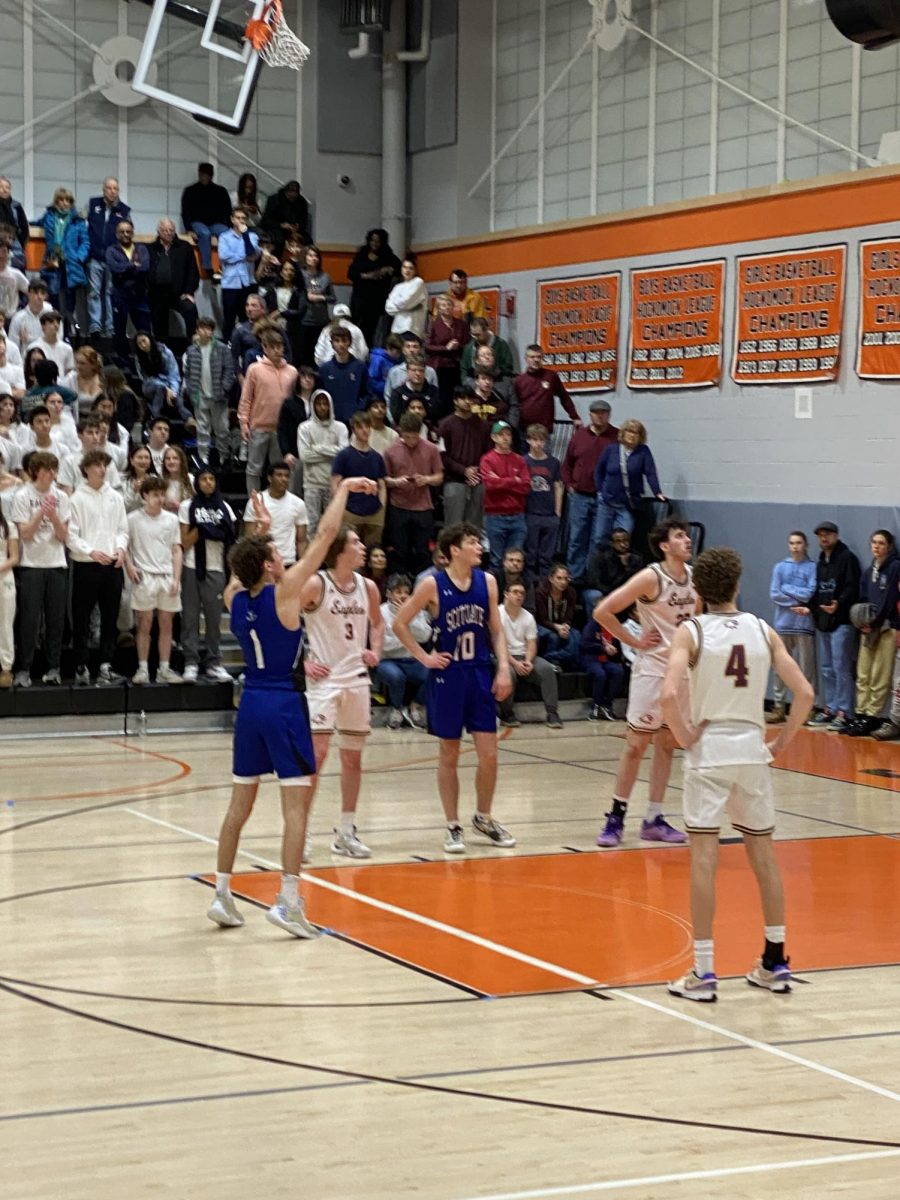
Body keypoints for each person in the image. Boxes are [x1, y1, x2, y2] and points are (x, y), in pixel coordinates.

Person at [207, 475, 376, 935]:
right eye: (275, 554)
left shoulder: (235, 597)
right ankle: (287, 901)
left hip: (250, 707)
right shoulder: (284, 594)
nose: (283, 557)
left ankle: (222, 894)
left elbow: (239, 566)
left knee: (238, 806)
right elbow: (323, 538)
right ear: (266, 567)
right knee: (295, 808)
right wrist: (342, 491)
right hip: (283, 702)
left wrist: (258, 531)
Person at [663, 546, 813, 1002]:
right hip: (751, 750)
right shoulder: (762, 629)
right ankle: (775, 961)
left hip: (710, 752)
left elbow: (669, 695)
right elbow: (804, 693)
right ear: (737, 585)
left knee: (705, 859)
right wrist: (781, 742)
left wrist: (686, 735)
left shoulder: (689, 631)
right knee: (764, 858)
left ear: (698, 592)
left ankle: (703, 971)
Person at [392, 521, 515, 854]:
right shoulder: (432, 585)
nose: (480, 547)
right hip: (448, 676)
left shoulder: (487, 582)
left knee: (489, 755)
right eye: (473, 542)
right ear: (454, 551)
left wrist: (503, 668)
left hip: (479, 672)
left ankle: (484, 817)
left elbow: (497, 631)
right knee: (449, 753)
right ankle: (452, 825)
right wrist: (424, 657)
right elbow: (399, 622)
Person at [594, 518, 698, 847]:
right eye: (680, 536)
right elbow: (603, 611)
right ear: (665, 546)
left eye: (687, 536)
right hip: (653, 671)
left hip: (682, 673)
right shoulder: (652, 577)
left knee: (667, 744)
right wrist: (634, 640)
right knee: (636, 745)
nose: (687, 541)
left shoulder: (695, 578)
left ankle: (654, 818)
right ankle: (616, 816)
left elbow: (697, 620)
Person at [298, 528, 384, 858]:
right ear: (339, 550)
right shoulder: (316, 584)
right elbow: (284, 619)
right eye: (356, 542)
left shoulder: (369, 587)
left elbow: (378, 623)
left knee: (352, 758)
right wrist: (302, 663)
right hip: (323, 681)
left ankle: (346, 832)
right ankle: (300, 831)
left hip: (356, 680)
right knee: (316, 758)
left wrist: (374, 650)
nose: (363, 547)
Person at [67, 448, 128, 687]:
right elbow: (71, 536)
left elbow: (123, 529)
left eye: (105, 465)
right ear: (87, 469)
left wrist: (121, 549)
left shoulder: (115, 497)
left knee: (110, 617)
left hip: (112, 565)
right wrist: (90, 551)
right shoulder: (76, 499)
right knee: (82, 617)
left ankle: (105, 665)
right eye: (98, 465)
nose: (102, 469)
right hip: (87, 565)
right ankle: (81, 666)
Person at [12, 450, 70, 687]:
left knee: (56, 620)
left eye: (54, 470)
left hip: (56, 564)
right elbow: (24, 533)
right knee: (29, 620)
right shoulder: (23, 495)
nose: (52, 474)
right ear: (36, 471)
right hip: (31, 565)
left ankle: (54, 668)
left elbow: (64, 535)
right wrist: (41, 512)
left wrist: (54, 515)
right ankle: (24, 669)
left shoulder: (62, 497)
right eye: (47, 470)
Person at [179, 466, 236, 684]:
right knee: (190, 618)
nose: (208, 482)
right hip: (192, 566)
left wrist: (205, 528)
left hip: (217, 568)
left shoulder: (225, 508)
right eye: (204, 479)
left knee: (214, 620)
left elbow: (228, 537)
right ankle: (191, 663)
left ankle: (214, 663)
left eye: (212, 478)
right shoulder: (187, 506)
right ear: (197, 483)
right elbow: (184, 541)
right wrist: (205, 529)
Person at [125, 476, 183, 685]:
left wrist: (176, 578)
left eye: (162, 494)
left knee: (167, 625)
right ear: (145, 496)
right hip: (144, 577)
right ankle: (142, 668)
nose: (159, 498)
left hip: (166, 576)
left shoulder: (171, 520)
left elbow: (176, 550)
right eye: (155, 495)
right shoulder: (132, 519)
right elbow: (125, 547)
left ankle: (164, 669)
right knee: (144, 624)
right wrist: (130, 566)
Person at [844, 529, 900, 738]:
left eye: (882, 543)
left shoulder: (895, 568)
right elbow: (863, 597)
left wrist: (875, 622)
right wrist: (861, 621)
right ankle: (861, 713)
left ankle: (873, 716)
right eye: (874, 542)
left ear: (889, 547)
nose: (877, 546)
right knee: (864, 672)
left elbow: (890, 600)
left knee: (879, 674)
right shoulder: (869, 571)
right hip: (867, 629)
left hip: (885, 628)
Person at [808, 521, 860, 733]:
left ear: (836, 536)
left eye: (827, 535)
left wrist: (840, 604)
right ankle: (830, 707)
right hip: (824, 622)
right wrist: (808, 607)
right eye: (820, 535)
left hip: (841, 622)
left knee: (841, 668)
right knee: (827, 668)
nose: (823, 538)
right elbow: (819, 590)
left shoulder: (847, 558)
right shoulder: (821, 560)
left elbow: (852, 587)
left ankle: (844, 712)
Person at [562, 398, 618, 585]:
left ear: (608, 415)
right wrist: (569, 484)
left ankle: (592, 578)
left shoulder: (616, 437)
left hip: (604, 498)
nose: (599, 416)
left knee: (599, 539)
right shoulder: (579, 436)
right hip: (579, 495)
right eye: (596, 412)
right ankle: (574, 578)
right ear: (590, 414)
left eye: (603, 412)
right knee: (577, 537)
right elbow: (567, 464)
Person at [383, 411, 443, 578]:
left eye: (414, 437)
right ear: (400, 432)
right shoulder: (390, 450)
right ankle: (400, 586)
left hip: (423, 506)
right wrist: (396, 482)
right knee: (400, 551)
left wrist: (427, 479)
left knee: (423, 551)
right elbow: (385, 479)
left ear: (420, 432)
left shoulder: (431, 449)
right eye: (407, 437)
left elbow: (439, 477)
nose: (411, 441)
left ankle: (422, 584)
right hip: (398, 506)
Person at [766, 532, 817, 725]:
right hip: (783, 624)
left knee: (806, 669)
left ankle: (807, 708)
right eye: (792, 543)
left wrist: (787, 588)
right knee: (780, 667)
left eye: (799, 543)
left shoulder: (812, 567)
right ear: (788, 545)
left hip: (804, 623)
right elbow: (774, 594)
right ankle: (779, 706)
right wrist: (796, 597)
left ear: (806, 545)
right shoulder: (780, 567)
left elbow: (810, 593)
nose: (795, 546)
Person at [239, 329, 298, 494]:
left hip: (282, 430)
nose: (277, 350)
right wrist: (244, 422)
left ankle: (278, 499)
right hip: (259, 425)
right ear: (264, 348)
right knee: (254, 468)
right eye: (273, 347)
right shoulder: (254, 369)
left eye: (280, 347)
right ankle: (254, 501)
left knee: (280, 469)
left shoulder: (292, 372)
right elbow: (246, 398)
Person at [498, 581, 562, 730]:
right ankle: (507, 713)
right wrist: (514, 663)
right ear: (506, 594)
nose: (519, 596)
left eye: (522, 593)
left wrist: (528, 661)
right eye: (515, 592)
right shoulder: (497, 614)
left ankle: (552, 713)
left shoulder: (528, 616)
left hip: (524, 655)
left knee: (547, 669)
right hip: (503, 656)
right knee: (508, 674)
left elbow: (532, 643)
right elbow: (497, 644)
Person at [594, 419, 666, 543]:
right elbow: (599, 471)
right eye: (629, 431)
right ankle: (600, 561)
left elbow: (650, 472)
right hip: (607, 501)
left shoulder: (643, 451)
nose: (632, 435)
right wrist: (601, 491)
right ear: (623, 433)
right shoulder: (611, 449)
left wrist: (657, 492)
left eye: (636, 433)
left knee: (624, 537)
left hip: (627, 503)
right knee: (600, 538)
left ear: (640, 436)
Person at [375, 572, 429, 729]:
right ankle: (396, 710)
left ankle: (415, 707)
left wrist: (408, 620)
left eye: (406, 592)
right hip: (387, 660)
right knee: (396, 677)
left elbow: (425, 635)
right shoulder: (381, 612)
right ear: (389, 594)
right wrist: (409, 640)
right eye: (399, 592)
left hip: (412, 660)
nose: (403, 596)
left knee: (434, 673)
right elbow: (384, 644)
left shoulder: (415, 610)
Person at [182, 315, 235, 466]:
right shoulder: (192, 351)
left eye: (210, 329)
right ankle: (203, 457)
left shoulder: (222, 348)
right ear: (198, 330)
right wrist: (192, 391)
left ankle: (224, 456)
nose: (207, 332)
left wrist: (225, 388)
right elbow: (188, 373)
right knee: (202, 429)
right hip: (200, 395)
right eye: (204, 328)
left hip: (219, 395)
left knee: (222, 429)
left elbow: (229, 370)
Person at [330, 411, 386, 548]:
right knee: (350, 552)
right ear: (354, 429)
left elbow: (382, 485)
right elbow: (334, 484)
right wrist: (341, 508)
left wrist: (382, 506)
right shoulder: (343, 455)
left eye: (367, 426)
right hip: (350, 512)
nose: (365, 430)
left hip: (374, 512)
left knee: (373, 553)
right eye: (360, 427)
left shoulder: (377, 457)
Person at [480, 419, 530, 573]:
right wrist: (513, 481)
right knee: (496, 559)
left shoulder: (519, 460)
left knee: (515, 560)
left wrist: (501, 481)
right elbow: (490, 485)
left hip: (517, 515)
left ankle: (513, 593)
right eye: (501, 435)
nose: (505, 438)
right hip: (495, 515)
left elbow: (526, 486)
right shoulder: (487, 459)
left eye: (508, 434)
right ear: (493, 437)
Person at [439, 385, 492, 528]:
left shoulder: (484, 426)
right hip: (454, 481)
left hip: (478, 481)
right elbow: (443, 456)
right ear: (455, 401)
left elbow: (489, 454)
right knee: (453, 527)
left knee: (474, 528)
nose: (467, 402)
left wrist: (478, 470)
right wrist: (464, 471)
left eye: (470, 398)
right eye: (463, 398)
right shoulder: (445, 425)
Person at [297, 390, 348, 536]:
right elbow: (305, 456)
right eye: (318, 404)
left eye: (325, 403)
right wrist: (332, 453)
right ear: (313, 405)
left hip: (333, 484)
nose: (322, 407)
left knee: (332, 526)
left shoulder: (340, 427)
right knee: (311, 525)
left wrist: (318, 448)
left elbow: (343, 454)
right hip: (311, 484)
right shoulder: (304, 427)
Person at [37, 188, 89, 332]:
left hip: (71, 263)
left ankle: (67, 331)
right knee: (53, 295)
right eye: (61, 200)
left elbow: (85, 242)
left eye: (68, 200)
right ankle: (54, 328)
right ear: (56, 201)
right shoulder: (49, 216)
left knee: (69, 300)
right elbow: (36, 223)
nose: (65, 203)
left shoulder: (78, 221)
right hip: (52, 261)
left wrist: (79, 257)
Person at [86, 178, 131, 343]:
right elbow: (85, 227)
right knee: (93, 292)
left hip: (114, 258)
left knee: (111, 293)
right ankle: (95, 326)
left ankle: (111, 327)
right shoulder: (93, 205)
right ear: (103, 189)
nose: (112, 191)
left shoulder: (124, 211)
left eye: (115, 188)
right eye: (109, 188)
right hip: (95, 256)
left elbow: (128, 235)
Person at [242, 461, 309, 567]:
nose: (284, 479)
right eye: (279, 475)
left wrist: (304, 566)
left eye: (287, 476)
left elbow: (302, 540)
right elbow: (249, 538)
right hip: (263, 563)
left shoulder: (298, 503)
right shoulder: (256, 502)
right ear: (270, 478)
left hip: (288, 562)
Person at [147, 218, 199, 349]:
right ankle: (162, 350)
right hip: (157, 295)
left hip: (179, 294)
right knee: (159, 324)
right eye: (165, 230)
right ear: (158, 231)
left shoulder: (184, 247)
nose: (168, 233)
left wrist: (189, 292)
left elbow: (193, 272)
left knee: (190, 309)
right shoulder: (151, 248)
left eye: (171, 230)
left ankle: (194, 346)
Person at [347, 227, 401, 347]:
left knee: (371, 330)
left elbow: (399, 267)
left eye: (378, 241)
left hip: (376, 300)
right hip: (359, 298)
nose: (374, 243)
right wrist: (368, 276)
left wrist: (389, 269)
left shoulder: (388, 255)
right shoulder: (362, 254)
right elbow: (351, 273)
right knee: (356, 327)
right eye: (372, 240)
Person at [105, 220, 151, 360]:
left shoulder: (141, 249)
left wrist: (125, 268)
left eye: (128, 231)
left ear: (133, 232)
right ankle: (124, 362)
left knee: (145, 331)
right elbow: (114, 268)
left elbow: (144, 267)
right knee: (119, 331)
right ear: (116, 234)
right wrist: (133, 265)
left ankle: (145, 360)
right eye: (122, 232)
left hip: (140, 295)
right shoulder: (111, 250)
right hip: (120, 296)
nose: (125, 234)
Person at [523, 423, 563, 583]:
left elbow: (558, 486)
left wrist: (558, 512)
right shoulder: (523, 461)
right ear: (528, 440)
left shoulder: (553, 463)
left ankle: (545, 582)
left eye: (541, 440)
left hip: (549, 513)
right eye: (534, 440)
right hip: (530, 512)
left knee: (547, 553)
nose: (538, 444)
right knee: (531, 551)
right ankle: (529, 582)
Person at [513, 345, 581, 433]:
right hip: (524, 429)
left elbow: (564, 398)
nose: (536, 360)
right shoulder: (519, 380)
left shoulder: (551, 376)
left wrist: (575, 417)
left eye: (539, 357)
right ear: (526, 359)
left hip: (544, 429)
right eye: (532, 357)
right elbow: (513, 405)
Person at [180, 163, 232, 278]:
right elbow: (185, 212)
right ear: (199, 174)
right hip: (197, 223)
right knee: (204, 233)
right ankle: (207, 266)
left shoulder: (220, 191)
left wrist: (228, 225)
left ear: (211, 176)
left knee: (228, 234)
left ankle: (226, 266)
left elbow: (228, 212)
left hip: (216, 224)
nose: (204, 177)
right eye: (202, 174)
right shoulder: (190, 191)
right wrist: (188, 229)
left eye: (206, 175)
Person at [426, 293, 469, 419]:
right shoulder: (434, 325)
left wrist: (458, 345)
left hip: (457, 364)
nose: (446, 308)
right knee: (442, 396)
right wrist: (445, 348)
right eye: (443, 305)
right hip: (440, 366)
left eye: (449, 305)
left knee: (456, 395)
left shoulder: (462, 324)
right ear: (439, 308)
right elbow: (427, 346)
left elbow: (468, 344)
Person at [583, 527, 643, 615]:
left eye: (625, 540)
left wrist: (626, 568)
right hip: (602, 591)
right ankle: (593, 627)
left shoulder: (636, 559)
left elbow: (636, 583)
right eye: (618, 541)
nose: (623, 544)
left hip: (624, 594)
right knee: (595, 595)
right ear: (612, 543)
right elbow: (594, 582)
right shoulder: (601, 558)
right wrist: (611, 594)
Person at [317, 327, 369, 426]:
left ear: (350, 343)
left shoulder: (360, 367)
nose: (341, 344)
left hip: (353, 421)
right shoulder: (325, 369)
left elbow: (366, 393)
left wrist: (358, 411)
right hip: (331, 420)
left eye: (344, 340)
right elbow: (320, 395)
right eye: (337, 341)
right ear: (332, 344)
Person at [134, 332, 189, 424]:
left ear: (150, 339)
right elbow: (146, 379)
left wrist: (173, 392)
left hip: (168, 384)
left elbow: (174, 374)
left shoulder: (165, 352)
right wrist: (166, 388)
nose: (143, 345)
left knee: (177, 397)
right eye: (139, 343)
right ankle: (157, 418)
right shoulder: (139, 358)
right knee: (160, 389)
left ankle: (188, 418)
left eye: (144, 341)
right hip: (150, 386)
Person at [534, 563, 581, 669]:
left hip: (561, 624)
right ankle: (550, 663)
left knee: (576, 636)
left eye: (566, 578)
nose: (563, 582)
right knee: (553, 637)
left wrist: (565, 626)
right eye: (559, 578)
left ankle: (552, 658)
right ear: (551, 578)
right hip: (542, 624)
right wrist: (557, 627)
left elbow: (569, 615)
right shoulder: (540, 592)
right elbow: (542, 619)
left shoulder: (571, 592)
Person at [580, 613, 626, 721]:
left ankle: (607, 705)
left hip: (606, 660)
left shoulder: (613, 626)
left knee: (618, 671)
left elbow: (617, 644)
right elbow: (585, 644)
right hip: (591, 659)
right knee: (600, 674)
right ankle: (596, 705)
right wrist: (603, 648)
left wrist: (615, 650)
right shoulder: (591, 626)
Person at [388, 355, 440, 427]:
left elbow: (435, 414)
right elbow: (396, 416)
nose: (417, 373)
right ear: (407, 371)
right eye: (414, 370)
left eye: (421, 370)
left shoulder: (433, 391)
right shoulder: (398, 392)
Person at [260, 179, 310, 251]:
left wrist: (297, 229)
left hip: (293, 229)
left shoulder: (302, 202)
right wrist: (281, 225)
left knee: (307, 240)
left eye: (295, 193)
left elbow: (303, 220)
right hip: (275, 227)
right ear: (285, 192)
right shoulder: (274, 200)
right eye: (290, 193)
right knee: (278, 239)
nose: (292, 195)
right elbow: (266, 220)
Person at [385, 255, 428, 336]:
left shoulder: (418, 282)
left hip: (411, 329)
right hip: (396, 329)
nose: (407, 270)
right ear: (401, 269)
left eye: (410, 268)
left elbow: (405, 302)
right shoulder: (397, 287)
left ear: (415, 271)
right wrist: (406, 307)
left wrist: (395, 302)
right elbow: (388, 308)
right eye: (405, 267)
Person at [0, 495, 17, 688]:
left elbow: (15, 557)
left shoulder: (9, 526)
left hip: (4, 576)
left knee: (5, 622)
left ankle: (6, 667)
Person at [27, 311, 75, 378]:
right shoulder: (34, 347)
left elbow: (70, 370)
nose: (56, 325)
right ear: (43, 326)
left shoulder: (67, 348)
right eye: (51, 322)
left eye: (58, 322)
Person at [9, 280, 51, 357]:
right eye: (36, 293)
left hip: (48, 360)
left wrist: (29, 339)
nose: (39, 296)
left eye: (42, 293)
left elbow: (55, 341)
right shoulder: (18, 318)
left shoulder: (52, 315)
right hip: (26, 362)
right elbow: (12, 347)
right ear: (29, 294)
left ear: (46, 296)